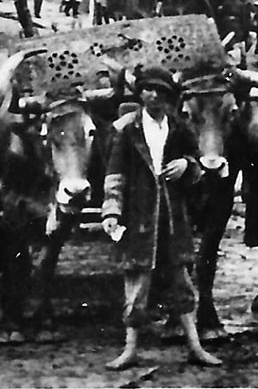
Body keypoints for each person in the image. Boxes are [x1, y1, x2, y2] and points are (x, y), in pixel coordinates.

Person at [98, 66, 219, 371]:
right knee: (136, 284)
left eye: (160, 91)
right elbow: (115, 174)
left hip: (173, 217)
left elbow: (197, 166)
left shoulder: (179, 128)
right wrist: (111, 210)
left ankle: (195, 346)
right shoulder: (127, 129)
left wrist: (186, 166)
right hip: (138, 217)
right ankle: (129, 350)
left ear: (168, 97)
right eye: (148, 90)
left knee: (182, 283)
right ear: (139, 94)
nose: (153, 96)